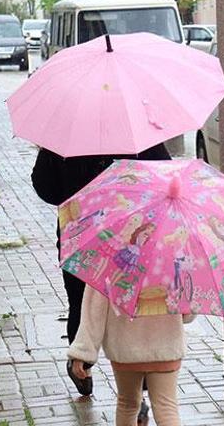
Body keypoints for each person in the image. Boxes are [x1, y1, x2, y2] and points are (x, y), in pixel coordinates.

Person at [31, 145, 170, 421]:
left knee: (81, 304)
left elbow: (45, 187)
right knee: (130, 309)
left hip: (80, 236)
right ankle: (137, 391)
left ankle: (81, 363)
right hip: (131, 238)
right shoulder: (137, 131)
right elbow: (163, 173)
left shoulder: (65, 135)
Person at [68, 288, 193, 426]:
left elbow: (94, 311)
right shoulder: (175, 266)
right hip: (166, 345)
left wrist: (83, 352)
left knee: (127, 405)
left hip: (125, 347)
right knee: (166, 408)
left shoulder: (108, 266)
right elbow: (187, 314)